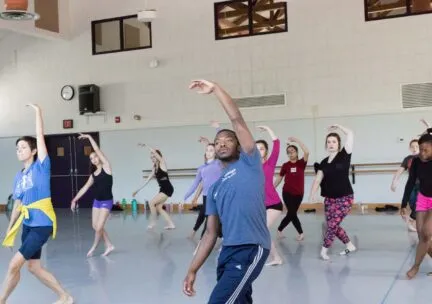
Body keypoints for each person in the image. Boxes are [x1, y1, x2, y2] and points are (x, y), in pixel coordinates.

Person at [183, 80, 270, 303]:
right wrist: (192, 269)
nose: (221, 144)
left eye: (228, 140)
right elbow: (210, 233)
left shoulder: (249, 162)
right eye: (217, 141)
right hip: (227, 253)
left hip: (251, 248)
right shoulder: (213, 189)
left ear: (238, 145)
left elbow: (236, 119)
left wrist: (216, 90)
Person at [1, 104, 73, 304]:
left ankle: (2, 300)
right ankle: (64, 296)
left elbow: (40, 135)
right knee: (33, 267)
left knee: (14, 264)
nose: (19, 150)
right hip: (27, 224)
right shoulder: (18, 176)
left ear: (33, 151)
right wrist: (9, 229)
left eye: (23, 147)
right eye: (17, 148)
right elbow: (17, 204)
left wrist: (38, 112)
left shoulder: (42, 167)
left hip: (42, 224)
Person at [309, 124, 356, 260]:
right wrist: (312, 193)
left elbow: (351, 133)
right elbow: (318, 179)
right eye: (329, 142)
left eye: (334, 142)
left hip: (345, 197)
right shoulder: (324, 162)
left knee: (332, 225)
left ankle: (324, 250)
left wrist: (340, 127)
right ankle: (349, 245)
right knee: (333, 225)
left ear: (339, 144)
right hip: (329, 199)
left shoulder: (344, 155)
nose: (331, 144)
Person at [70, 133, 115, 258]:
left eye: (95, 156)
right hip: (97, 202)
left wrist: (89, 137)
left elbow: (97, 149)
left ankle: (94, 247)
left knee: (99, 226)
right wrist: (74, 200)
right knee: (95, 226)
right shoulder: (93, 175)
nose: (94, 159)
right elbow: (84, 188)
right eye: (91, 158)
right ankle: (109, 244)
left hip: (107, 201)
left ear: (100, 157)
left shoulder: (107, 167)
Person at [401, 129, 432, 279]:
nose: (422, 152)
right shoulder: (416, 162)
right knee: (422, 236)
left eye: (425, 150)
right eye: (420, 149)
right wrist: (403, 203)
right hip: (423, 198)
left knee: (426, 232)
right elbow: (410, 182)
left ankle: (415, 266)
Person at [255, 125, 283, 266]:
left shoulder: (270, 164)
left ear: (265, 152)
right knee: (258, 231)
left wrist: (268, 129)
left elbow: (277, 144)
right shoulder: (250, 167)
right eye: (256, 149)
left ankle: (276, 257)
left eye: (261, 148)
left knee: (262, 229)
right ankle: (274, 257)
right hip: (260, 205)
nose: (258, 151)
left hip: (274, 204)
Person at [184, 138, 222, 239]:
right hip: (206, 197)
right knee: (207, 217)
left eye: (211, 151)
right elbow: (196, 184)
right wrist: (186, 196)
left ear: (215, 153)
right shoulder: (202, 168)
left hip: (217, 196)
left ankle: (203, 241)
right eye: (207, 150)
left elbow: (220, 148)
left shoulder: (218, 163)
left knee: (212, 219)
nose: (208, 153)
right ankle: (204, 240)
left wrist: (210, 141)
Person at [133, 145, 175, 230]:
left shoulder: (162, 164)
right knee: (159, 207)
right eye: (151, 157)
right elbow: (147, 180)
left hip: (167, 188)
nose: (152, 158)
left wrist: (146, 145)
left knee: (151, 203)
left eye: (153, 156)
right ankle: (171, 224)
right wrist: (137, 190)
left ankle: (154, 221)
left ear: (157, 157)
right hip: (163, 189)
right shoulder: (154, 169)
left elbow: (155, 152)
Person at [275, 137, 309, 241]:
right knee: (292, 213)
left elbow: (307, 152)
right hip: (287, 192)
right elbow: (280, 178)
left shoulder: (301, 163)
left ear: (297, 152)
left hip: (299, 193)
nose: (291, 154)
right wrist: (272, 188)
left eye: (293, 151)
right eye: (288, 152)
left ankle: (279, 229)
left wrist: (296, 140)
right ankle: (301, 233)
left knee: (291, 213)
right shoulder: (285, 165)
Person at [391, 139, 419, 232]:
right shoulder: (408, 159)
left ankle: (412, 220)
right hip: (411, 185)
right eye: (412, 147)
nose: (414, 148)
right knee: (411, 203)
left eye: (417, 146)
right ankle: (414, 220)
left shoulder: (425, 156)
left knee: (419, 204)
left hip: (423, 186)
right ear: (409, 148)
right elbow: (400, 171)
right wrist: (394, 181)